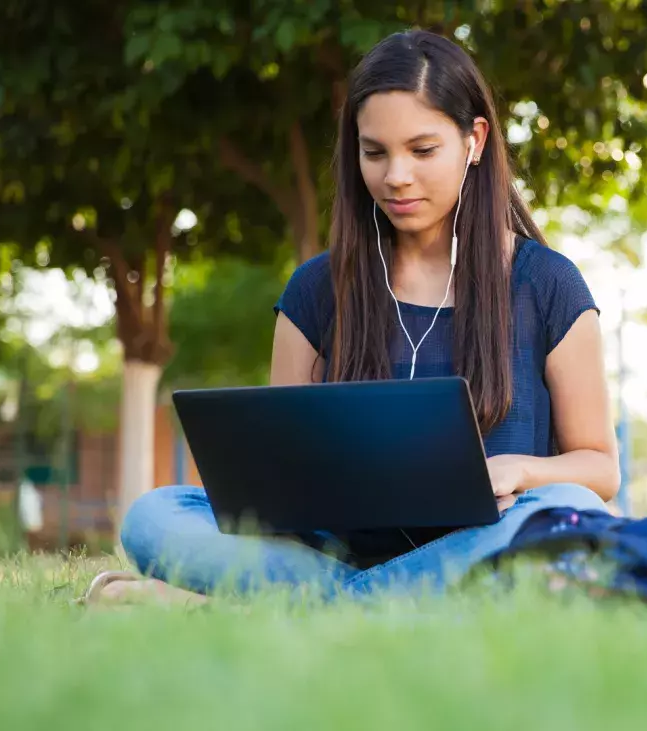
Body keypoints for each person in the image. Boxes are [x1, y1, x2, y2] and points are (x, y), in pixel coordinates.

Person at [103, 30, 619, 604]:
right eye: (374, 152)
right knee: (157, 514)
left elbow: (598, 469)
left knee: (567, 510)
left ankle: (265, 609)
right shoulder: (316, 290)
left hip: (485, 541)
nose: (395, 176)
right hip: (341, 548)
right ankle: (382, 604)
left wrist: (518, 471)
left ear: (474, 140)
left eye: (422, 151)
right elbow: (280, 486)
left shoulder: (546, 283)